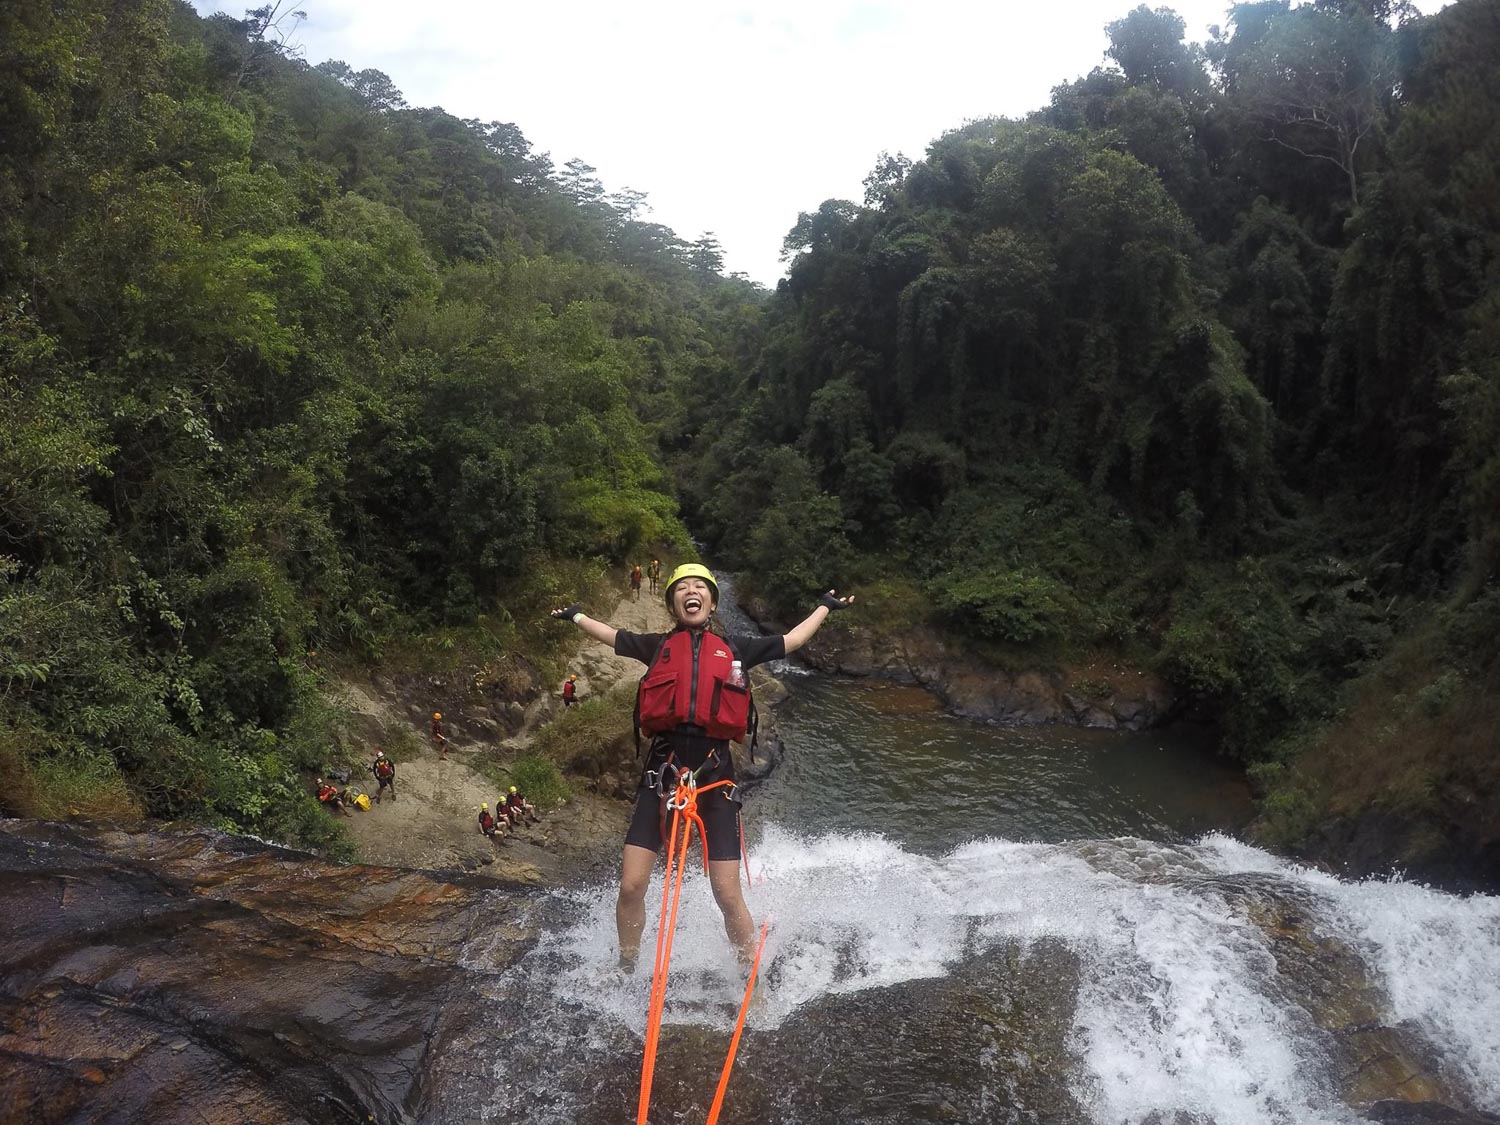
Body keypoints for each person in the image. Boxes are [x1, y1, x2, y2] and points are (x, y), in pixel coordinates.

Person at [552, 562, 853, 971]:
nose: (690, 592)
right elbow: (611, 635)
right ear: (673, 604)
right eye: (682, 588)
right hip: (663, 774)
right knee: (631, 885)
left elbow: (793, 639)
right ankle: (627, 964)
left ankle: (749, 974)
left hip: (715, 779)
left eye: (699, 587)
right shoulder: (656, 646)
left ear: (711, 603)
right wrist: (576, 616)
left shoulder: (738, 649)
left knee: (727, 894)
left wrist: (825, 606)